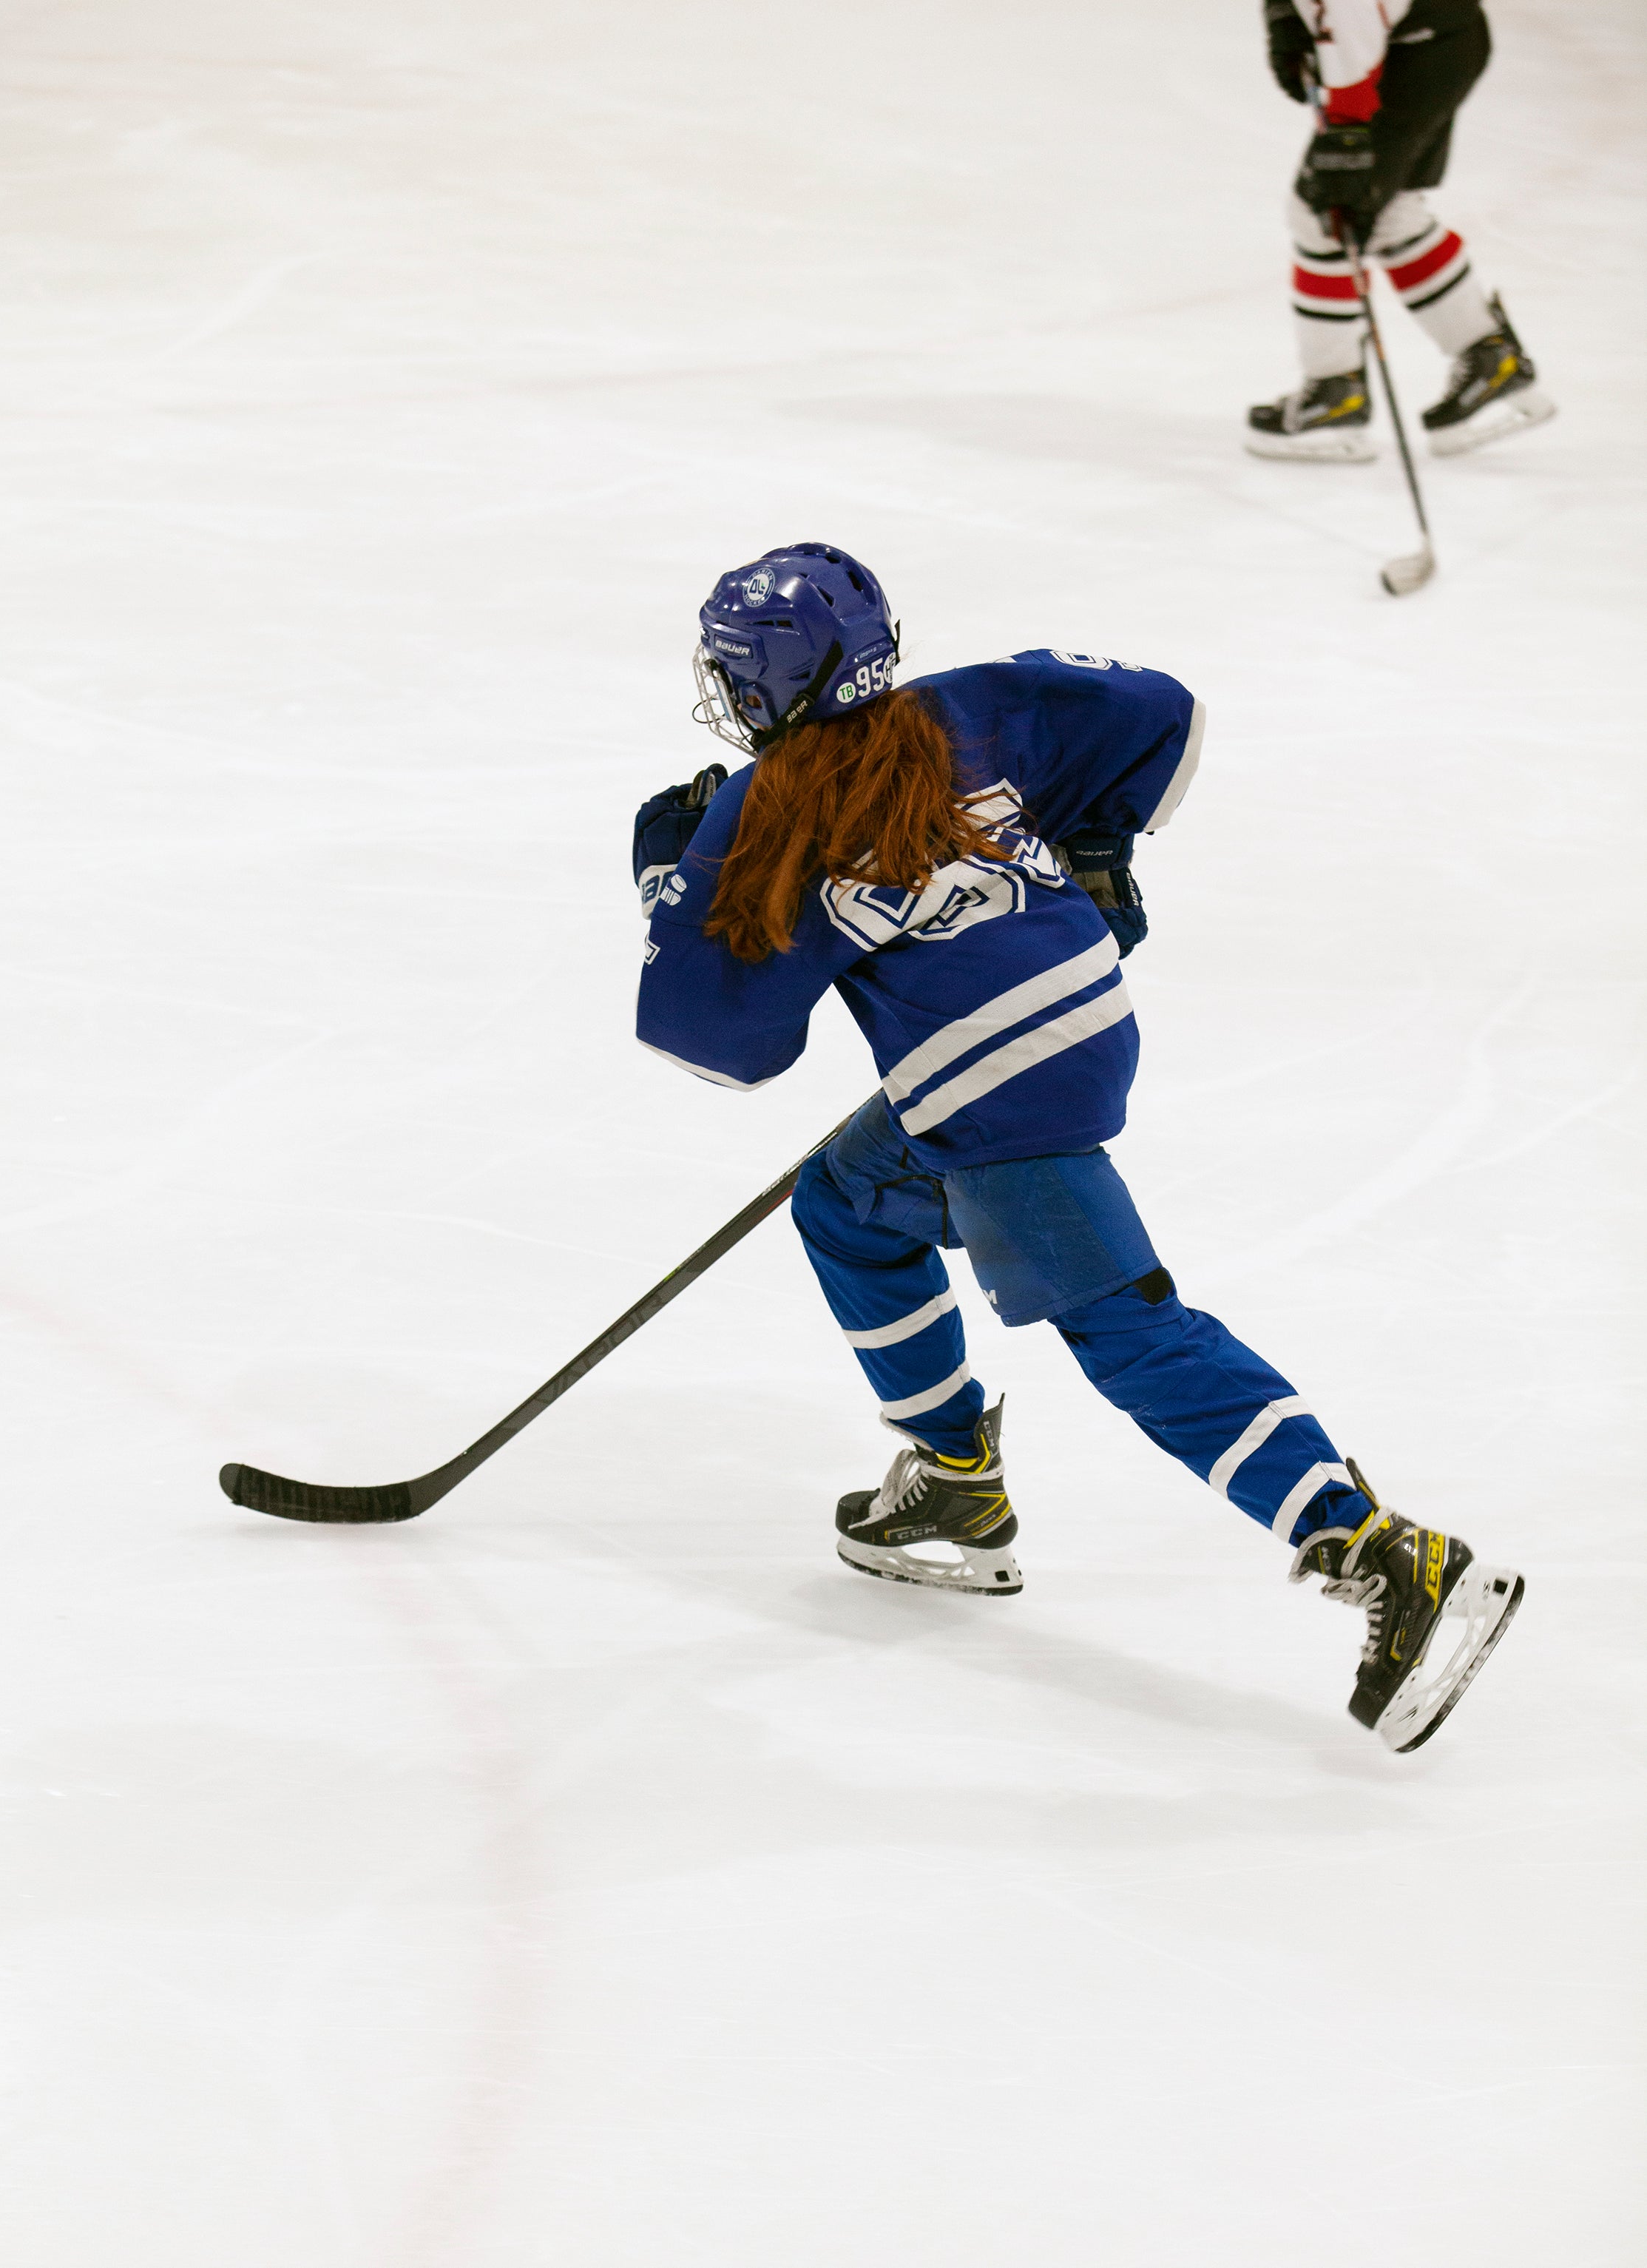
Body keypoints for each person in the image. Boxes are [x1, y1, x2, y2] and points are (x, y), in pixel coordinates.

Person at [632, 542, 1523, 1751]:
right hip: (1084, 1019)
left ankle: (1383, 1554)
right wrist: (1096, 842)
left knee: (1132, 1331)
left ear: (765, 685)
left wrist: (670, 878)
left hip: (1000, 1096)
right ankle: (955, 1480)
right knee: (846, 1203)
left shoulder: (766, 811)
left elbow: (714, 1047)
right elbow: (1161, 714)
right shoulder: (964, 707)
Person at [1247, 0, 1553, 461]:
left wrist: (1348, 139)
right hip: (1435, 40)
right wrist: (1285, 16)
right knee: (1390, 212)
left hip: (1420, 56)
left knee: (1324, 216)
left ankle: (1335, 394)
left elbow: (1353, 51)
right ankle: (1491, 360)